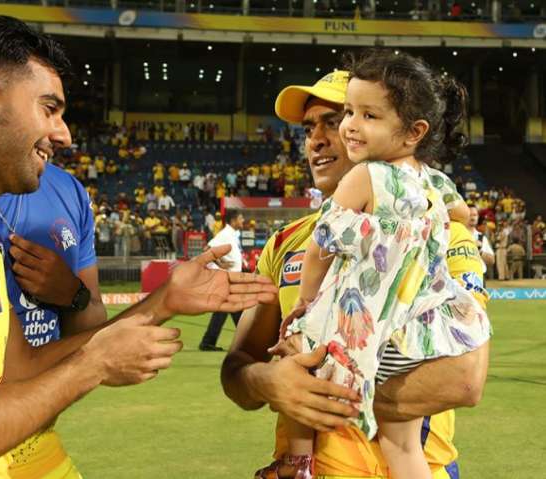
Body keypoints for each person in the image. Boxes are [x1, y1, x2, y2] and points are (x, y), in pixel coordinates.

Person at [0, 16, 278, 478]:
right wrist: (93, 365)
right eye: (49, 108)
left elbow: (22, 372)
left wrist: (164, 301)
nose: (63, 134)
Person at [222, 68, 489, 479]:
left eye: (334, 119)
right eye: (311, 127)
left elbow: (465, 381)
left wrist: (326, 389)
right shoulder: (285, 243)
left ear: (402, 131)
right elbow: (238, 367)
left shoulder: (437, 233)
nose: (317, 138)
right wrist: (268, 382)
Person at [0, 161, 105, 478]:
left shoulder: (69, 190)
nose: (61, 133)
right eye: (47, 109)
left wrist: (71, 295)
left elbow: (91, 322)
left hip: (36, 438)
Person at [199, 209, 245, 351]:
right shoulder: (225, 234)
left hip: (231, 278)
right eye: (240, 218)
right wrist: (221, 263)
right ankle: (245, 342)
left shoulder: (232, 234)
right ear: (233, 220)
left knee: (230, 311)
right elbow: (207, 249)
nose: (243, 221)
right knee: (234, 311)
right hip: (227, 278)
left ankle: (208, 342)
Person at [467, 205, 495, 272]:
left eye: (475, 215)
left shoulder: (482, 237)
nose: (472, 217)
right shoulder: (457, 235)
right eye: (470, 215)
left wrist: (479, 251)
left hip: (479, 277)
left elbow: (492, 260)